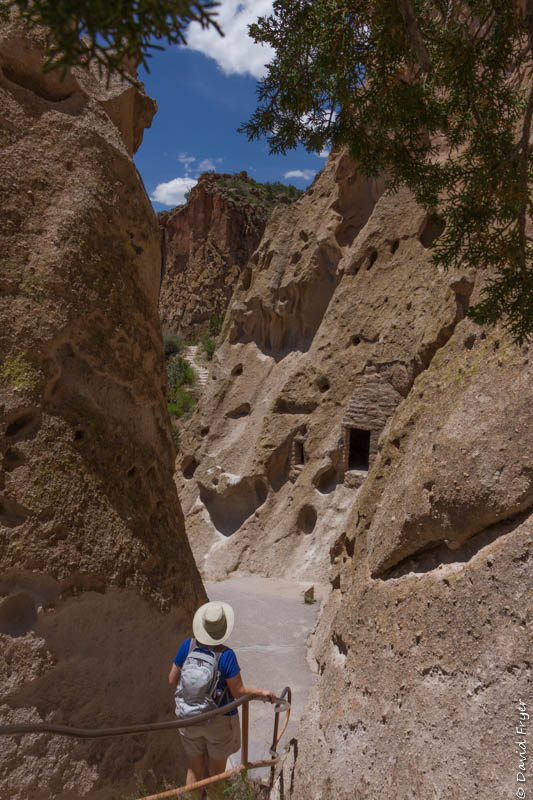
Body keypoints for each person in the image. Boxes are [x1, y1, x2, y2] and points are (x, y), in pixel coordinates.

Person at [168, 600, 276, 796]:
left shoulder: (188, 646)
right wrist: (262, 693)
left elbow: (171, 679)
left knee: (193, 769)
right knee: (216, 773)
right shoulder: (226, 656)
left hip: (189, 718)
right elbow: (238, 693)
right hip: (219, 721)